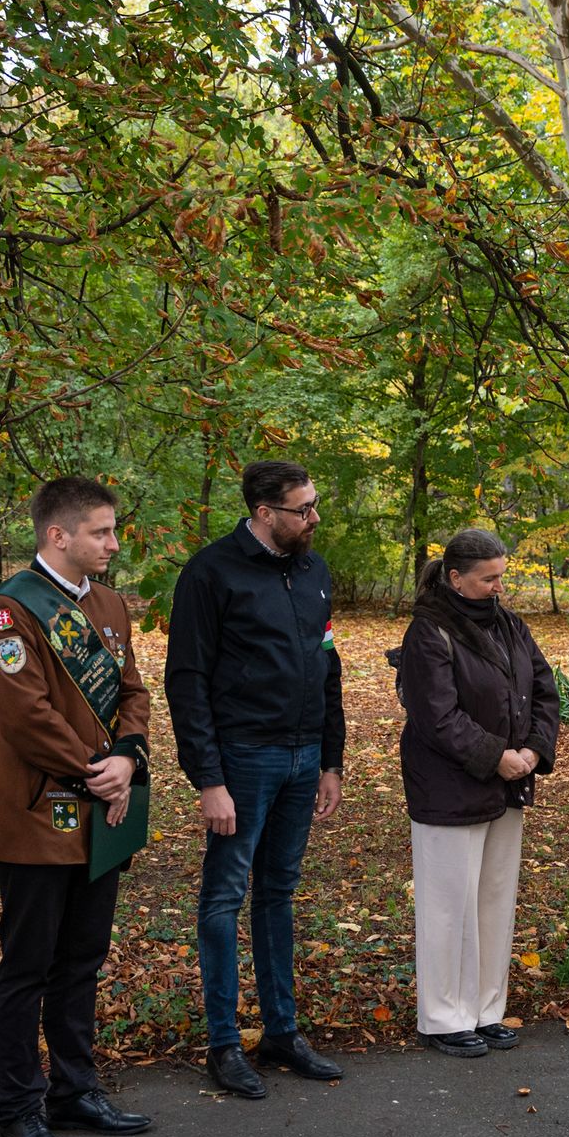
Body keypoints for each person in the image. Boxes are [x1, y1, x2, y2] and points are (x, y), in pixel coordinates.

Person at [0, 477, 154, 1137]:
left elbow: (133, 692)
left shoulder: (108, 604)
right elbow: (25, 716)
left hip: (102, 812)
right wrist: (97, 770)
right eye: (101, 532)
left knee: (82, 959)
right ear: (59, 535)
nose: (113, 544)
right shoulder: (8, 611)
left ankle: (74, 1091)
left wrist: (128, 757)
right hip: (34, 815)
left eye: (113, 530)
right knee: (29, 968)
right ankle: (19, 1108)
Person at [167, 460, 348, 1097]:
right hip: (243, 760)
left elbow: (327, 665)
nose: (314, 517)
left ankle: (281, 1031)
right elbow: (186, 680)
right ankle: (223, 1043)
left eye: (314, 504)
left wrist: (331, 760)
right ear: (265, 513)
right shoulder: (211, 573)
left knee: (278, 894)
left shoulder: (313, 571)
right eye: (304, 509)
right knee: (223, 898)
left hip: (303, 758)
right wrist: (208, 779)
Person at [396, 529, 561, 1057]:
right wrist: (498, 756)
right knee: (448, 909)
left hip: (507, 786)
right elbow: (437, 717)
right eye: (488, 578)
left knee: (494, 903)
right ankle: (443, 1018)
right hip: (448, 790)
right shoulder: (429, 631)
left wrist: (533, 749)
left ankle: (486, 1009)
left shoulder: (511, 626)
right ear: (455, 578)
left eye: (501, 577)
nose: (498, 587)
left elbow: (544, 690)